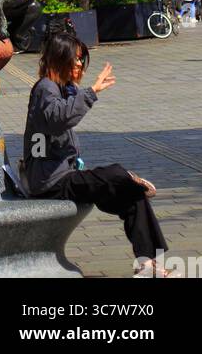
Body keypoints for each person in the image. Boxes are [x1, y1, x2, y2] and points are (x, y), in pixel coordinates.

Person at [22, 23, 173, 277]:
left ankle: (148, 264)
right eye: (76, 59)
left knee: (133, 198)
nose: (80, 64)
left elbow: (65, 111)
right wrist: (91, 92)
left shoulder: (59, 87)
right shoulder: (45, 88)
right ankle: (127, 177)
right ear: (60, 59)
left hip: (62, 176)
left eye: (82, 59)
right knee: (114, 173)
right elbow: (59, 118)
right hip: (50, 182)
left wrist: (79, 89)